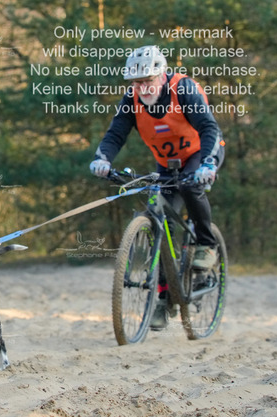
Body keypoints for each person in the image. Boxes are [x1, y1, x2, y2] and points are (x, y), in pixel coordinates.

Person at [90, 45, 225, 330]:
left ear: (162, 75)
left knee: (190, 188)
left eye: (147, 81)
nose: (142, 88)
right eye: (136, 82)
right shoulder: (132, 99)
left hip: (201, 154)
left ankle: (207, 244)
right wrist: (102, 159)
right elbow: (115, 134)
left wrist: (208, 164)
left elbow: (209, 128)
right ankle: (163, 298)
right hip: (167, 164)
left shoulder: (183, 90)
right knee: (159, 219)